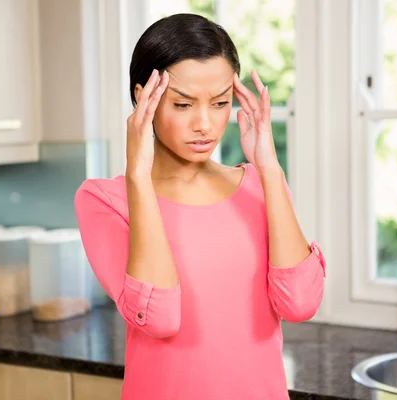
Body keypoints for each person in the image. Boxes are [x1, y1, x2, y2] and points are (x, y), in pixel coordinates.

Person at [74, 13, 326, 400]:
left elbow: (300, 304)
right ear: (144, 99)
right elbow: (159, 319)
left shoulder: (260, 184)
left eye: (221, 102)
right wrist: (138, 176)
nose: (205, 124)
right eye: (183, 104)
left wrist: (270, 168)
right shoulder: (105, 200)